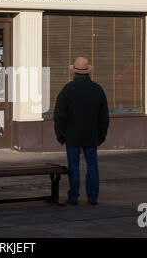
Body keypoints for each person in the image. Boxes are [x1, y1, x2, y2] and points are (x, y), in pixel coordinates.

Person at [53, 57, 109, 206]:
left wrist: (60, 133)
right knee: (92, 165)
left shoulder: (68, 89)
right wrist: (101, 135)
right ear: (88, 72)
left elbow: (59, 114)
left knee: (74, 166)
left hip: (72, 135)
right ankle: (93, 196)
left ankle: (74, 196)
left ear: (74, 72)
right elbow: (104, 116)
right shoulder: (97, 89)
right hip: (91, 135)